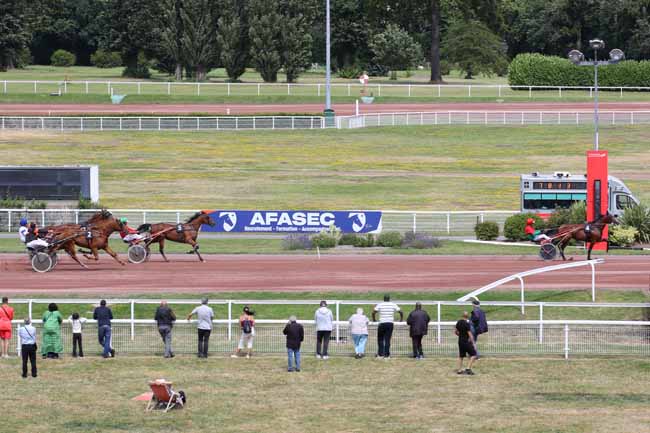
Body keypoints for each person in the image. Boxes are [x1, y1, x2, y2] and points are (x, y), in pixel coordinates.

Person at [372, 295, 403, 359]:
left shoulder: (380, 304)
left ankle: (380, 354)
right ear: (389, 299)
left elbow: (373, 312)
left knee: (380, 339)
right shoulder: (393, 304)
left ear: (383, 299)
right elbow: (400, 312)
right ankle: (387, 355)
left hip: (382, 323)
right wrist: (401, 319)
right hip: (390, 323)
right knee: (387, 340)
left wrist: (374, 319)